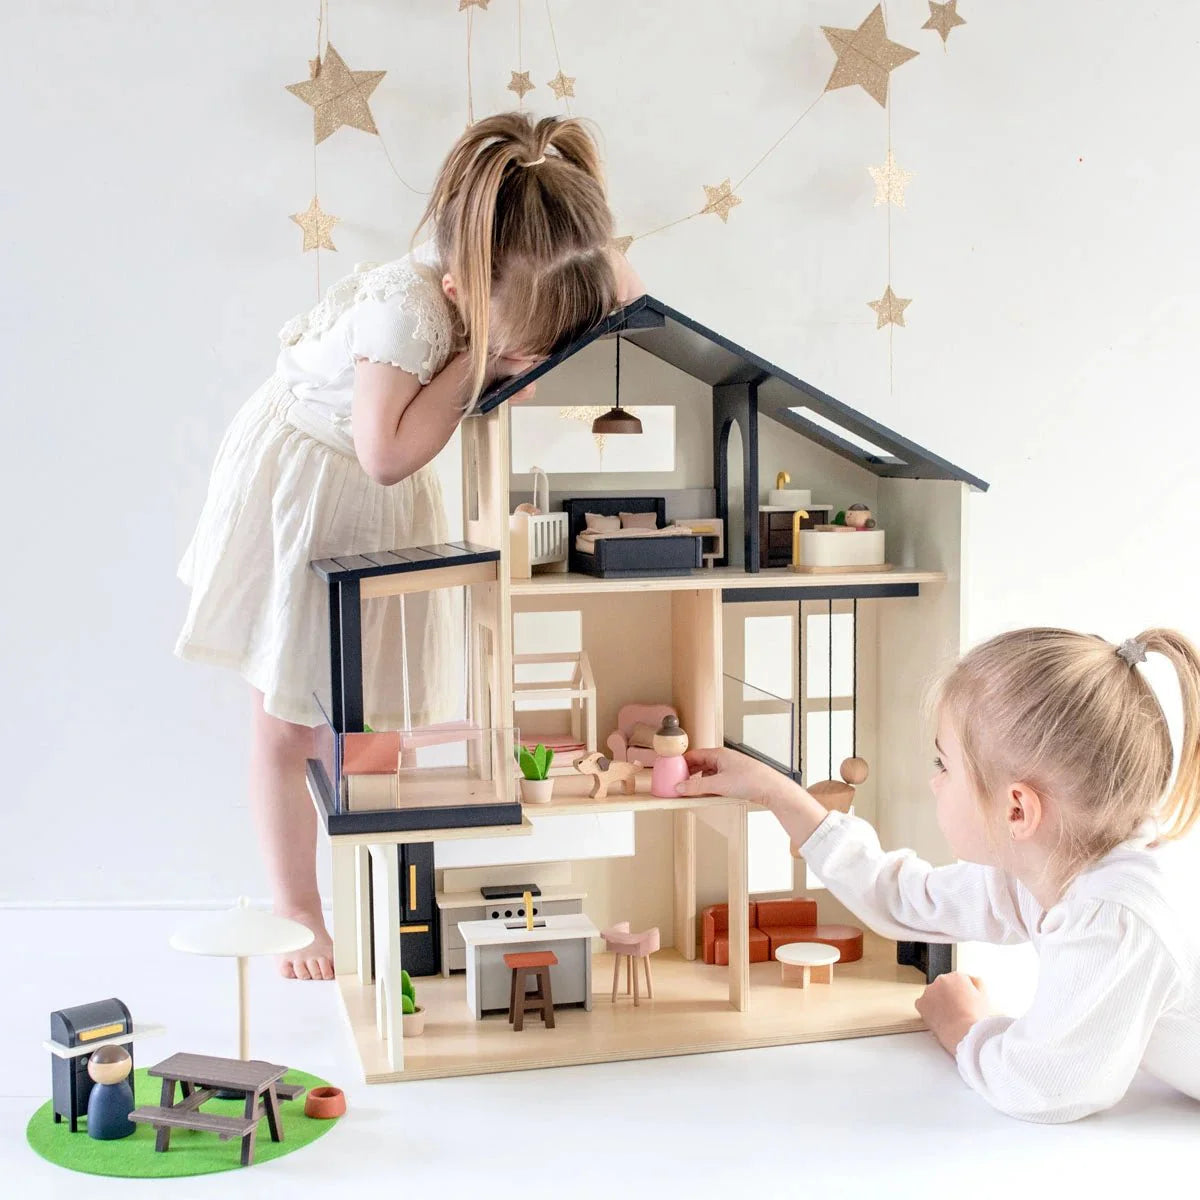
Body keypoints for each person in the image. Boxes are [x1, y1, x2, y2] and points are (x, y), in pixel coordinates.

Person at [176, 112, 644, 979]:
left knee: (380, 713)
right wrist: (479, 366)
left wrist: (580, 290)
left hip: (384, 497)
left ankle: (375, 894)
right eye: (520, 349)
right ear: (460, 292)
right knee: (288, 719)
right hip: (314, 482)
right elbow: (385, 454)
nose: (528, 365)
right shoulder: (404, 310)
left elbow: (622, 285)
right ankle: (296, 906)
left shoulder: (529, 260)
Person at [677, 627, 1200, 1122]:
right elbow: (904, 899)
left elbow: (1045, 1086)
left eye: (943, 764)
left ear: (1017, 809)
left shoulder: (1115, 916)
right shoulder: (1052, 860)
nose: (933, 782)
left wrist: (964, 1026)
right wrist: (776, 792)